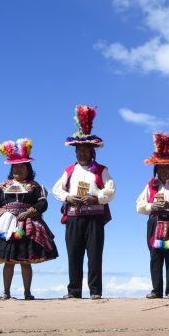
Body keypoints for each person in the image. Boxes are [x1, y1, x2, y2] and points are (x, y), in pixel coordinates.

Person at [0, 138, 58, 300]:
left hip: (29, 224)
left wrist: (30, 212)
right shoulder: (2, 186)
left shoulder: (36, 186)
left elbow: (43, 204)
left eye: (21, 166)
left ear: (28, 169)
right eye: (15, 166)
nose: (17, 169)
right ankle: (6, 291)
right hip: (6, 224)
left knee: (25, 259)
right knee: (8, 260)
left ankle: (27, 292)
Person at [51, 105, 115, 300]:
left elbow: (110, 190)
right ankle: (74, 291)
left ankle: (95, 291)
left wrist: (96, 197)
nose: (82, 154)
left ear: (92, 152)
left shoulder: (101, 170)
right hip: (74, 218)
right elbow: (56, 189)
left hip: (95, 217)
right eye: (79, 150)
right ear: (75, 152)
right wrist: (68, 197)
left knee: (95, 255)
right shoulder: (69, 170)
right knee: (74, 255)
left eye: (86, 150)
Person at [135, 132, 169, 299]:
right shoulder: (150, 186)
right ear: (156, 169)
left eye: (167, 167)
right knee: (155, 256)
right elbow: (139, 206)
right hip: (154, 223)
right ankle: (157, 290)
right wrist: (153, 205)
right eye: (160, 167)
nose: (164, 170)